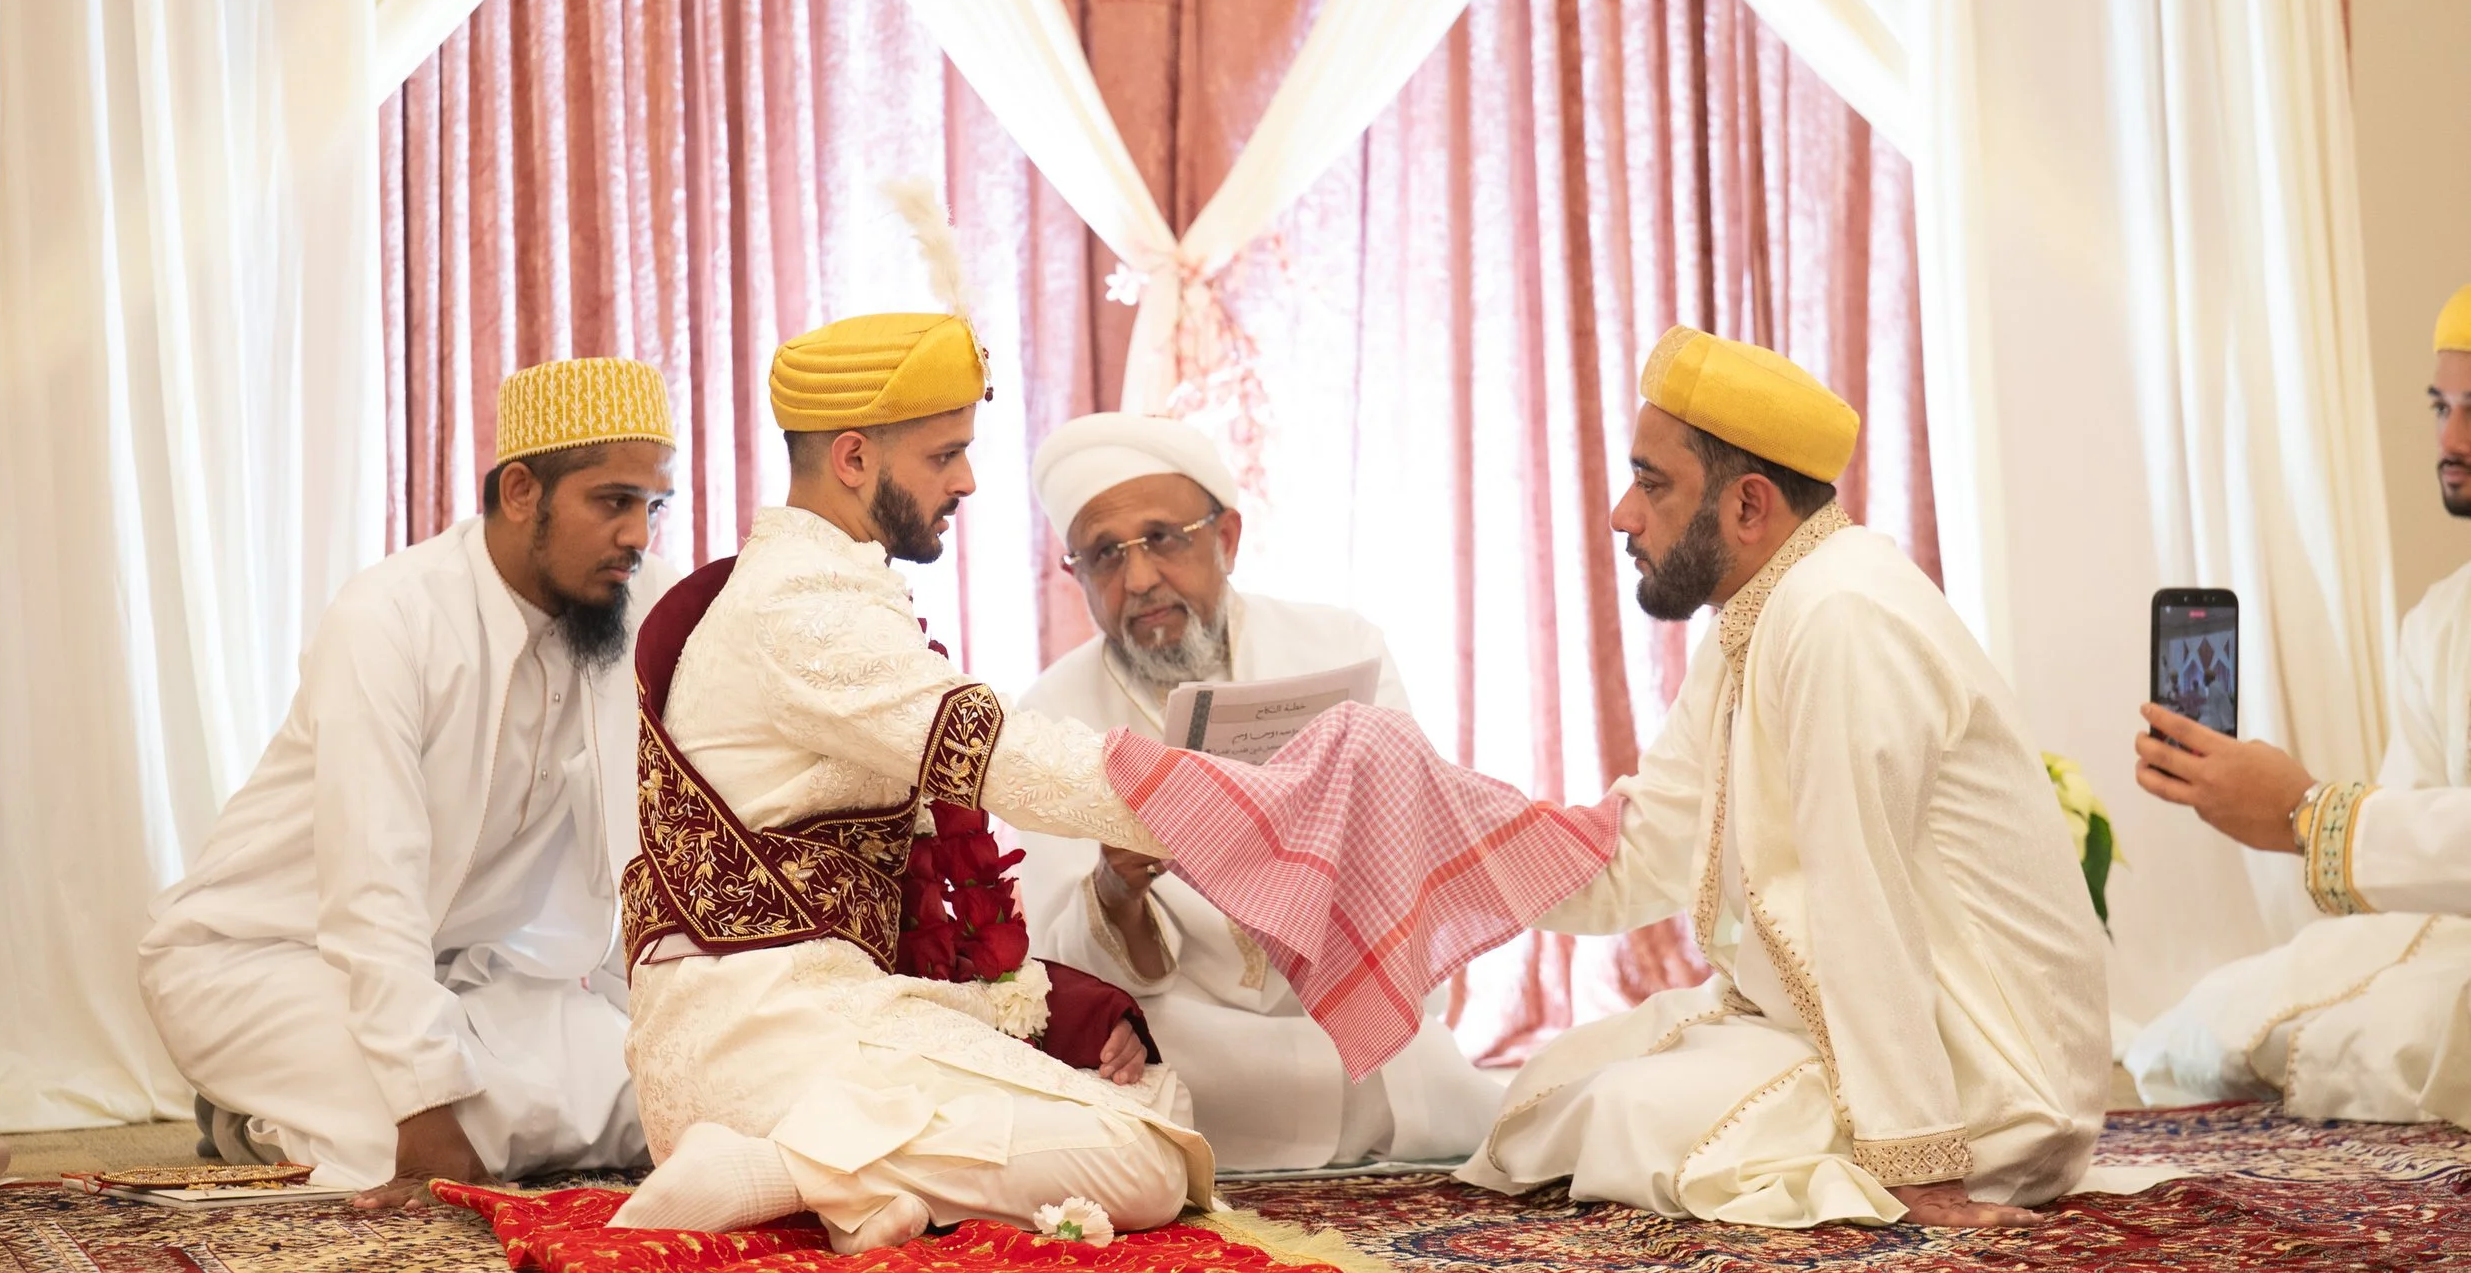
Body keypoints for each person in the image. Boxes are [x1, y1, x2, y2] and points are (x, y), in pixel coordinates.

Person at [1456, 326, 2108, 1229]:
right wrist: (1449, 841)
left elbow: (1860, 893)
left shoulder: (1841, 615)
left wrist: (1918, 1168)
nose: (1621, 514)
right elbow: (1646, 846)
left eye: (1651, 483)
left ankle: (1909, 1146)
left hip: (1983, 1074)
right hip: (1834, 1029)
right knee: (1546, 1097)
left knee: (1623, 1116)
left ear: (1749, 506)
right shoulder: (1757, 617)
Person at [610, 311, 1213, 1250]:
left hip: (816, 1003)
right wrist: (1208, 799)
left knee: (1158, 1093)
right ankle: (769, 1169)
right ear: (853, 457)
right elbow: (995, 752)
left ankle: (850, 1194)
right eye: (946, 454)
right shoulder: (803, 606)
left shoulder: (825, 583)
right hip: (761, 1033)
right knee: (1146, 1157)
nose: (967, 480)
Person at [137, 358, 680, 1204]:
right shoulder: (388, 621)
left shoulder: (629, 610)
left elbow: (644, 846)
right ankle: (270, 1114)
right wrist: (424, 1105)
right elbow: (371, 882)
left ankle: (282, 1117)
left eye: (653, 506)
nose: (639, 536)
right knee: (422, 1130)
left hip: (455, 973)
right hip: (259, 963)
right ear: (522, 492)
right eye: (613, 501)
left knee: (660, 1098)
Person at [1014, 413, 1501, 1172]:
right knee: (1135, 1064)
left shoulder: (1341, 648)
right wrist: (1115, 891)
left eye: (1164, 538)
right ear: (1075, 573)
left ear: (1227, 538)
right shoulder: (1051, 712)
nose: (1139, 579)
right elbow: (1056, 950)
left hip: (1336, 1001)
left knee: (1422, 1066)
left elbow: (1415, 833)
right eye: (1105, 555)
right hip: (1192, 1031)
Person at [2127, 281, 2471, 1125]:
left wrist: (2308, 815)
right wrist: (2286, 807)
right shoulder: (2440, 620)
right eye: (2440, 407)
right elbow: (2412, 853)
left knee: (2408, 1033)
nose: (2451, 439)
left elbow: (2377, 836)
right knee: (2215, 1013)